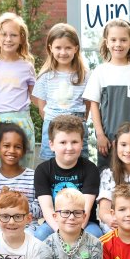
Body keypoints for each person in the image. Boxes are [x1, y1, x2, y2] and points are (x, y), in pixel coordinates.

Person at [83, 19, 130, 168]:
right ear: (107, 42)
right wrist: (100, 135)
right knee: (107, 180)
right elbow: (93, 104)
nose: (118, 44)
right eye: (114, 39)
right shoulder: (100, 72)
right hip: (108, 141)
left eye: (123, 40)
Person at [34, 115, 101, 241]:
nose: (69, 147)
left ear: (82, 143)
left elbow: (85, 209)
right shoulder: (42, 170)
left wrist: (73, 234)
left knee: (95, 236)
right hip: (54, 222)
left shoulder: (90, 169)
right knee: (40, 235)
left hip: (84, 223)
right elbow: (47, 209)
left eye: (74, 142)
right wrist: (60, 232)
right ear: (52, 144)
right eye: (63, 142)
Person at [0, 13, 36, 169]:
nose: (8, 39)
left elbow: (35, 96)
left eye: (13, 35)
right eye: (4, 34)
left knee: (24, 164)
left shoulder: (26, 66)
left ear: (21, 38)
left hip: (21, 120)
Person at [33, 23, 90, 162]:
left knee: (80, 163)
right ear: (50, 48)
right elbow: (42, 108)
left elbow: (88, 104)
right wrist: (55, 122)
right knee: (50, 162)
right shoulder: (45, 77)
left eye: (68, 48)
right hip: (52, 125)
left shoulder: (85, 76)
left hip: (77, 125)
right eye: (58, 47)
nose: (63, 52)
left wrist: (80, 120)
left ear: (76, 48)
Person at [0, 122, 40, 232]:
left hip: (27, 229)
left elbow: (40, 211)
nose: (12, 151)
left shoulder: (34, 176)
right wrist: (1, 202)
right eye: (6, 146)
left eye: (17, 147)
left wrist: (19, 201)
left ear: (24, 150)